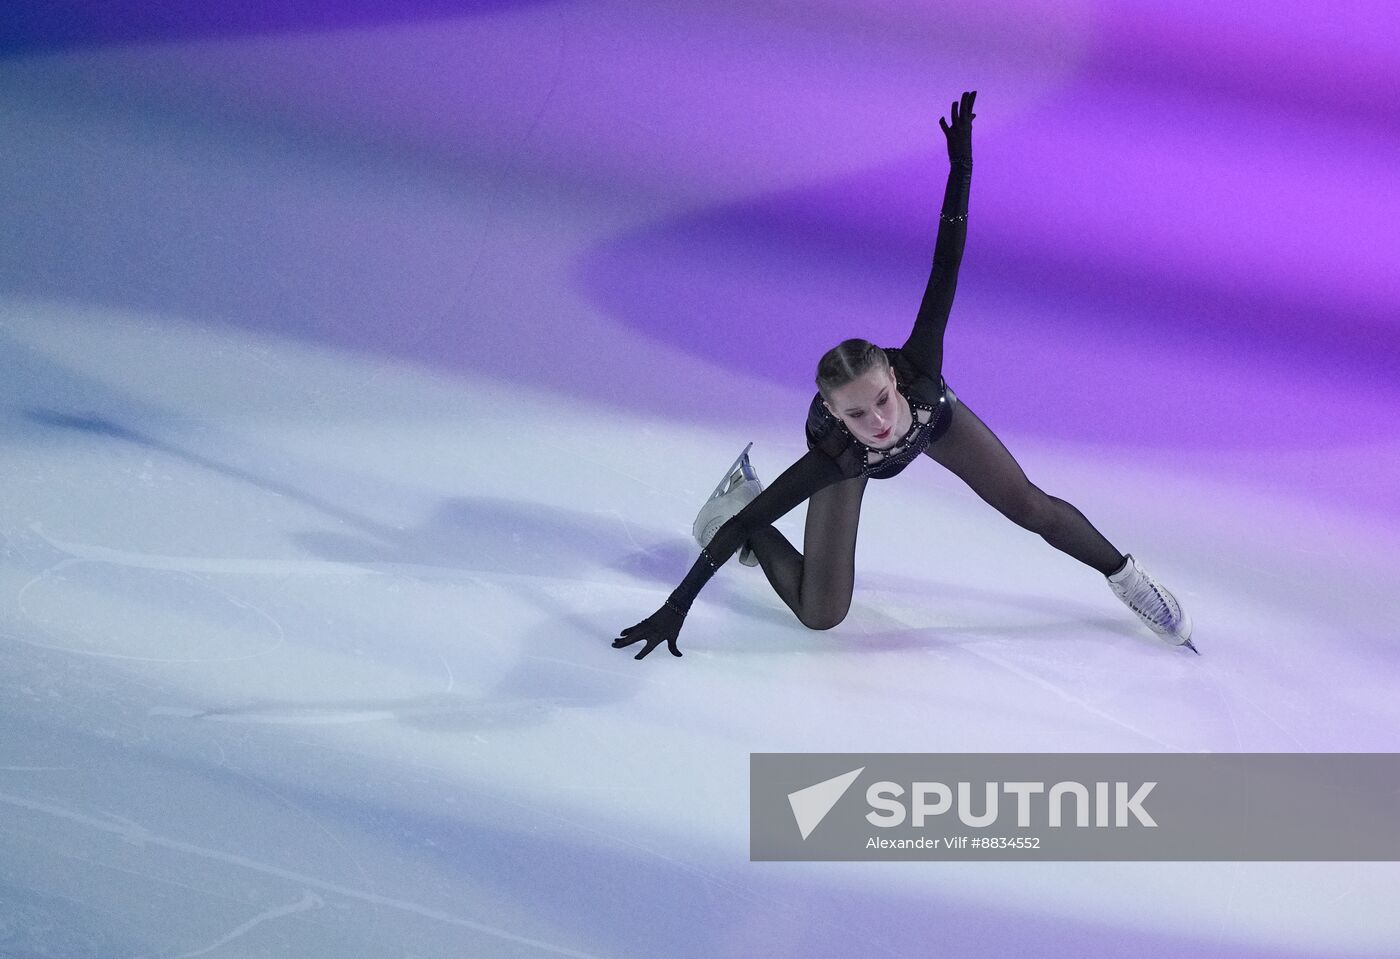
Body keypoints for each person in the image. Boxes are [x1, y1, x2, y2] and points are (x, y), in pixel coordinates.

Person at [612, 90, 1196, 660]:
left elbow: (947, 260)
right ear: (834, 415)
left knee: (1028, 505)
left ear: (893, 377)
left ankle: (1128, 579)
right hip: (829, 475)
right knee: (821, 614)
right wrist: (677, 607)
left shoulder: (919, 372)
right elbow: (745, 525)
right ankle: (734, 496)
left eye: (882, 401)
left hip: (938, 419)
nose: (880, 422)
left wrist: (961, 168)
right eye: (857, 414)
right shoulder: (835, 453)